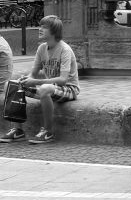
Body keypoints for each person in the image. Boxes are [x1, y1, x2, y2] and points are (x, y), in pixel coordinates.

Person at [2, 15, 79, 144]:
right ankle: (17, 131)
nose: (40, 29)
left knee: (44, 88)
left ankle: (48, 132)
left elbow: (63, 80)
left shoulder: (65, 50)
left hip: (69, 89)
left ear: (54, 31)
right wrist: (26, 79)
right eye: (40, 26)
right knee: (10, 85)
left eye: (44, 27)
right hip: (50, 88)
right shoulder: (42, 48)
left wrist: (35, 82)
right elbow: (33, 74)